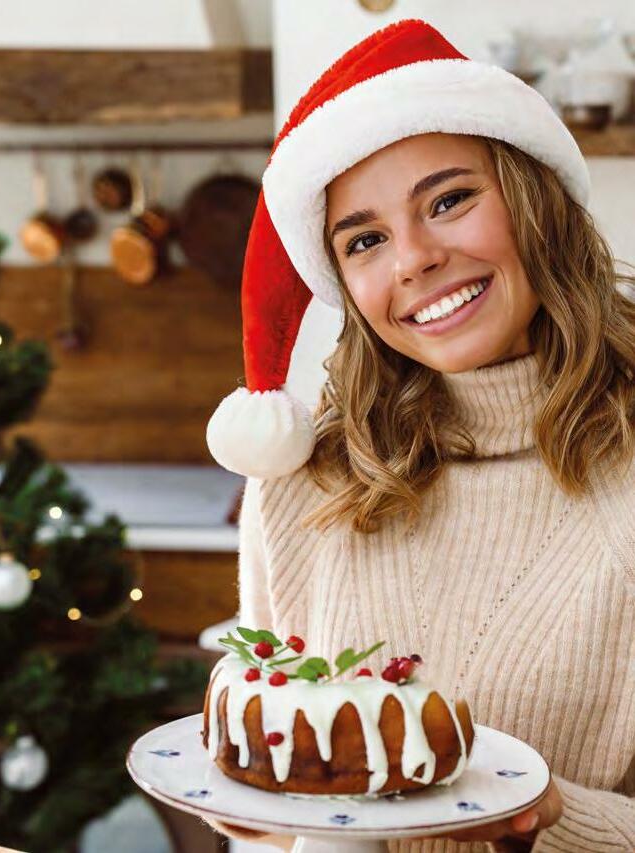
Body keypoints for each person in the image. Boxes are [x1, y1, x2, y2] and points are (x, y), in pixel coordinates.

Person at [203, 17, 635, 853]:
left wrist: (547, 815)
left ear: (533, 200)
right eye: (364, 239)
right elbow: (275, 801)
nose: (413, 259)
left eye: (449, 200)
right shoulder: (307, 479)